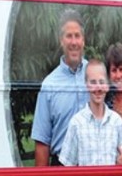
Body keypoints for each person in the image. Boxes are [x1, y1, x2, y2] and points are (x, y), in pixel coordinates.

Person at [32, 9, 87, 166]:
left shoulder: (96, 76)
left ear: (83, 40)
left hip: (94, 166)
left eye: (77, 36)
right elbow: (42, 142)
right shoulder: (49, 85)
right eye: (69, 36)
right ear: (61, 40)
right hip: (62, 167)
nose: (74, 42)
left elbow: (120, 92)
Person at [59, 60, 122, 167]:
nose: (98, 88)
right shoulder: (76, 123)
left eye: (101, 82)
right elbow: (67, 166)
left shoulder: (116, 122)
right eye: (93, 82)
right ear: (86, 85)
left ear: (107, 86)